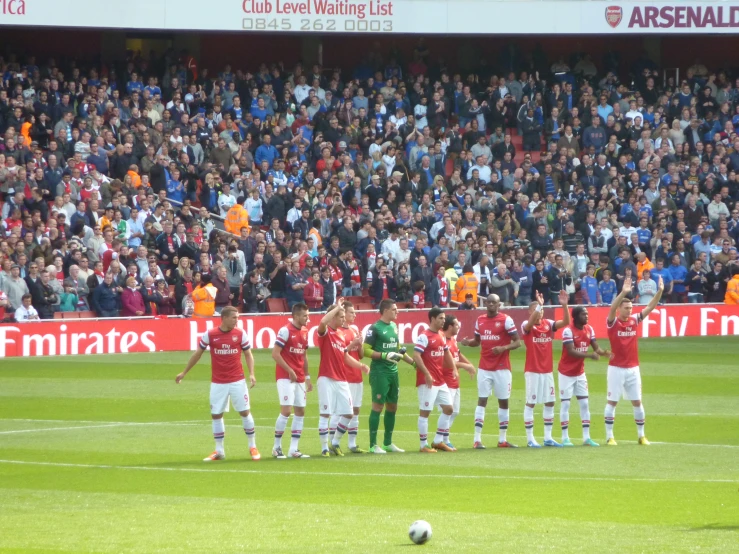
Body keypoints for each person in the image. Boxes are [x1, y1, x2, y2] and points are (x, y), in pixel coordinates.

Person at [175, 306, 259, 462]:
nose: (237, 320)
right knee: (216, 415)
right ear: (224, 318)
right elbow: (197, 353)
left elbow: (248, 354)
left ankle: (252, 446)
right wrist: (184, 372)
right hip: (218, 382)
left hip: (237, 380)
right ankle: (219, 450)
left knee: (244, 412)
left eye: (238, 318)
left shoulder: (240, 334)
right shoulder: (211, 334)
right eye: (234, 318)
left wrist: (252, 373)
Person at [605, 276, 664, 446]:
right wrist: (623, 292)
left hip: (633, 368)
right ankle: (610, 436)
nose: (630, 311)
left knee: (637, 401)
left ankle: (641, 435)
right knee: (612, 402)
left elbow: (650, 306)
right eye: (626, 308)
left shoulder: (634, 320)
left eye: (631, 308)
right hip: (616, 368)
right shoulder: (612, 323)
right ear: (620, 309)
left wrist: (659, 291)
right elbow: (611, 308)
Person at [460, 293, 521, 449]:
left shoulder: (506, 320)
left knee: (504, 401)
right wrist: (468, 343)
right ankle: (477, 439)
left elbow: (517, 342)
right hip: (484, 368)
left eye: (495, 302)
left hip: (502, 368)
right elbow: (477, 341)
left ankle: (502, 440)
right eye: (489, 302)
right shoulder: (480, 320)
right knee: (482, 400)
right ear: (485, 303)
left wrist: (503, 348)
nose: (491, 304)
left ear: (499, 305)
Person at [316, 301, 369, 457]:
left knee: (348, 413)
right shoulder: (325, 333)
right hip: (326, 377)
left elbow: (344, 356)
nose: (343, 319)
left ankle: (335, 442)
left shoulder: (340, 334)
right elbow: (322, 321)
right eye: (340, 316)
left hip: (341, 379)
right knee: (325, 414)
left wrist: (361, 366)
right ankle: (324, 447)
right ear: (333, 317)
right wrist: (336, 308)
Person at [362, 299, 415, 454]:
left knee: (392, 406)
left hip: (393, 372)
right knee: (378, 406)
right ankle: (373, 445)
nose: (397, 312)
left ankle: (387, 443)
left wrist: (413, 363)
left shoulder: (393, 326)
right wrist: (384, 355)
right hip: (380, 372)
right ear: (385, 311)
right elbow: (365, 350)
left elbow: (397, 350)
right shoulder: (375, 328)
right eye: (394, 309)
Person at [520, 290, 571, 448]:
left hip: (547, 370)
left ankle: (548, 438)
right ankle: (530, 439)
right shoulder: (525, 326)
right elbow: (529, 324)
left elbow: (565, 323)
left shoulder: (548, 324)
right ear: (531, 311)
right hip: (533, 370)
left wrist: (564, 306)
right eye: (537, 310)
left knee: (550, 402)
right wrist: (538, 306)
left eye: (542, 310)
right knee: (531, 403)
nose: (540, 313)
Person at [558, 305, 610, 447]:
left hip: (580, 373)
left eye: (587, 314)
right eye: (583, 314)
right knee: (566, 404)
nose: (586, 316)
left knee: (585, 404)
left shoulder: (589, 329)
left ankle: (587, 438)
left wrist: (604, 353)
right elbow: (570, 351)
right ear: (575, 316)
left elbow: (595, 347)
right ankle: (565, 438)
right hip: (566, 373)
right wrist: (589, 356)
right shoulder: (568, 331)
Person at [271, 303, 311, 459]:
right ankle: (276, 447)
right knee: (287, 411)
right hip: (285, 377)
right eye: (305, 316)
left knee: (300, 411)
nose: (307, 318)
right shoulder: (285, 330)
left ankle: (293, 449)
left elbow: (304, 355)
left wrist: (307, 377)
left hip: (300, 377)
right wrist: (289, 370)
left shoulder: (305, 331)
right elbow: (275, 354)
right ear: (296, 316)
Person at [412, 308, 455, 453]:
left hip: (440, 380)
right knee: (425, 412)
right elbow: (416, 355)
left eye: (444, 318)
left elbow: (446, 352)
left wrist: (454, 368)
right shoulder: (424, 336)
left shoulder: (441, 335)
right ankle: (423, 445)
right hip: (427, 381)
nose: (443, 321)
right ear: (432, 319)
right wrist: (426, 373)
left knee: (449, 409)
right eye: (441, 318)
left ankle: (437, 441)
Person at [331, 300, 366, 453]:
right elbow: (341, 353)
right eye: (351, 312)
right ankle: (333, 443)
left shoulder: (353, 330)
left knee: (356, 410)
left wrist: (361, 343)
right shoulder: (338, 332)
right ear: (343, 314)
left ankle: (352, 444)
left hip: (357, 376)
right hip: (345, 376)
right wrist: (353, 343)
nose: (354, 315)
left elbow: (361, 355)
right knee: (341, 411)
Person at [439, 315, 475, 450]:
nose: (459, 327)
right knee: (448, 410)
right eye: (456, 325)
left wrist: (469, 364)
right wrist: (465, 366)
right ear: (449, 327)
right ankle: (443, 439)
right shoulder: (442, 340)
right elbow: (445, 361)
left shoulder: (453, 339)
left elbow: (458, 354)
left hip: (455, 381)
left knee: (455, 411)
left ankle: (442, 437)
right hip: (446, 381)